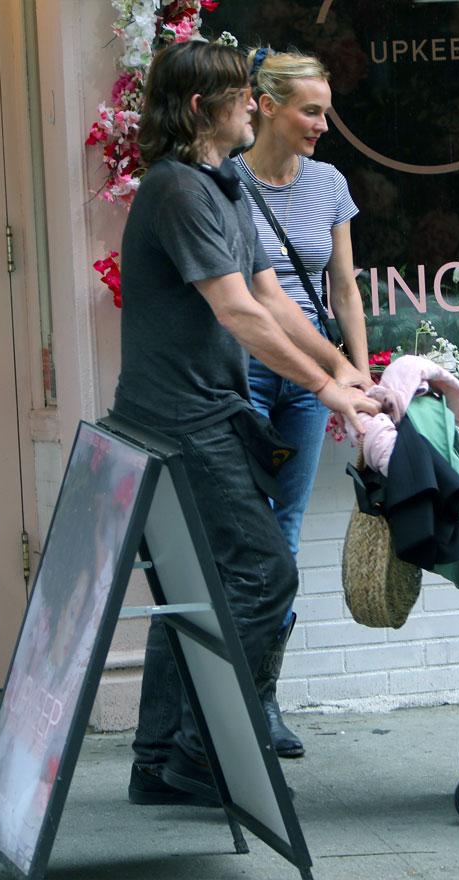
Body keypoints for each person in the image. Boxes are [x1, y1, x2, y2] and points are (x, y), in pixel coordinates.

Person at [115, 41, 378, 808]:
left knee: (199, 585)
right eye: (241, 96)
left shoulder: (223, 181)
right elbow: (233, 311)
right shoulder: (174, 191)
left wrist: (340, 370)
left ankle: (159, 762)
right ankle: (201, 757)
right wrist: (323, 392)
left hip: (207, 414)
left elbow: (272, 296)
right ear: (203, 109)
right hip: (179, 422)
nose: (253, 105)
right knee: (266, 573)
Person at [233, 47, 370, 759]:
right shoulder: (223, 183)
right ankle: (231, 702)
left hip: (313, 377)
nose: (323, 123)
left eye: (326, 109)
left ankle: (262, 698)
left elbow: (342, 289)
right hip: (249, 373)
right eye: (311, 110)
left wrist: (362, 376)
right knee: (246, 528)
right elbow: (258, 298)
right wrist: (335, 373)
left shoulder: (329, 184)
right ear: (265, 105)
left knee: (284, 527)